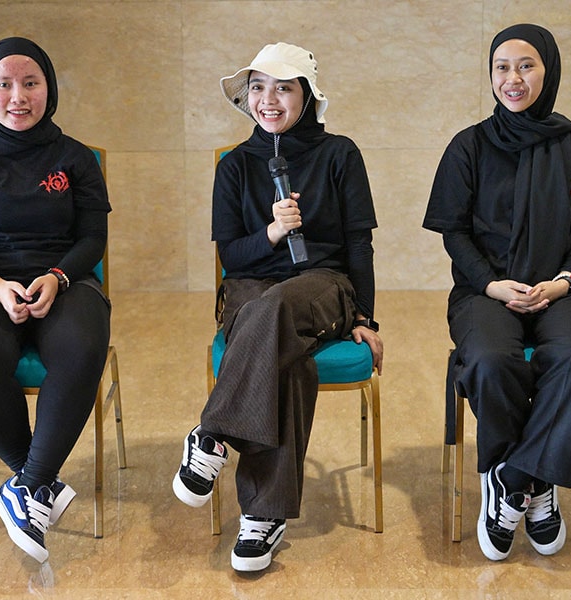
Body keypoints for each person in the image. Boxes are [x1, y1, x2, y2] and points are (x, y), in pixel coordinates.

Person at [172, 42, 383, 572]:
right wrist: (271, 231)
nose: (268, 100)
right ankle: (262, 515)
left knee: (275, 315)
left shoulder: (341, 155)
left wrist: (365, 318)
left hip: (322, 284)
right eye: (258, 87)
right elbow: (231, 255)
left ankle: (213, 433)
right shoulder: (234, 166)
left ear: (307, 97)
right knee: (285, 353)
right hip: (250, 283)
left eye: (283, 88)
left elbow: (359, 245)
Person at [423, 24, 571, 561]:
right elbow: (453, 230)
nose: (513, 78)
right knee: (487, 359)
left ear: (548, 71)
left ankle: (517, 477)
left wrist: (563, 283)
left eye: (526, 65)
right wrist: (489, 281)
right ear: (490, 75)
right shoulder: (469, 145)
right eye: (502, 67)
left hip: (562, 290)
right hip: (484, 291)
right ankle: (536, 479)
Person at [0, 37, 111, 563]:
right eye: (4, 84)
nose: (18, 96)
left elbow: (92, 237)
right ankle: (38, 484)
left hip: (65, 277)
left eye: (30, 83)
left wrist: (57, 276)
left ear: (49, 89)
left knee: (81, 347)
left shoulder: (74, 157)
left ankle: (27, 485)